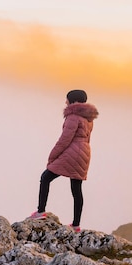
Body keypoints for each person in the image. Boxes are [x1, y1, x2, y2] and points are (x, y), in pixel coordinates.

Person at [27, 89, 99, 231]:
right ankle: (76, 225)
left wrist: (53, 156)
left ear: (73, 101)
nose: (65, 102)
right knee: (76, 189)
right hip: (84, 152)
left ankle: (40, 211)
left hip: (72, 151)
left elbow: (64, 140)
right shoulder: (88, 118)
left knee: (45, 177)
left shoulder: (73, 117)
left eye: (67, 99)